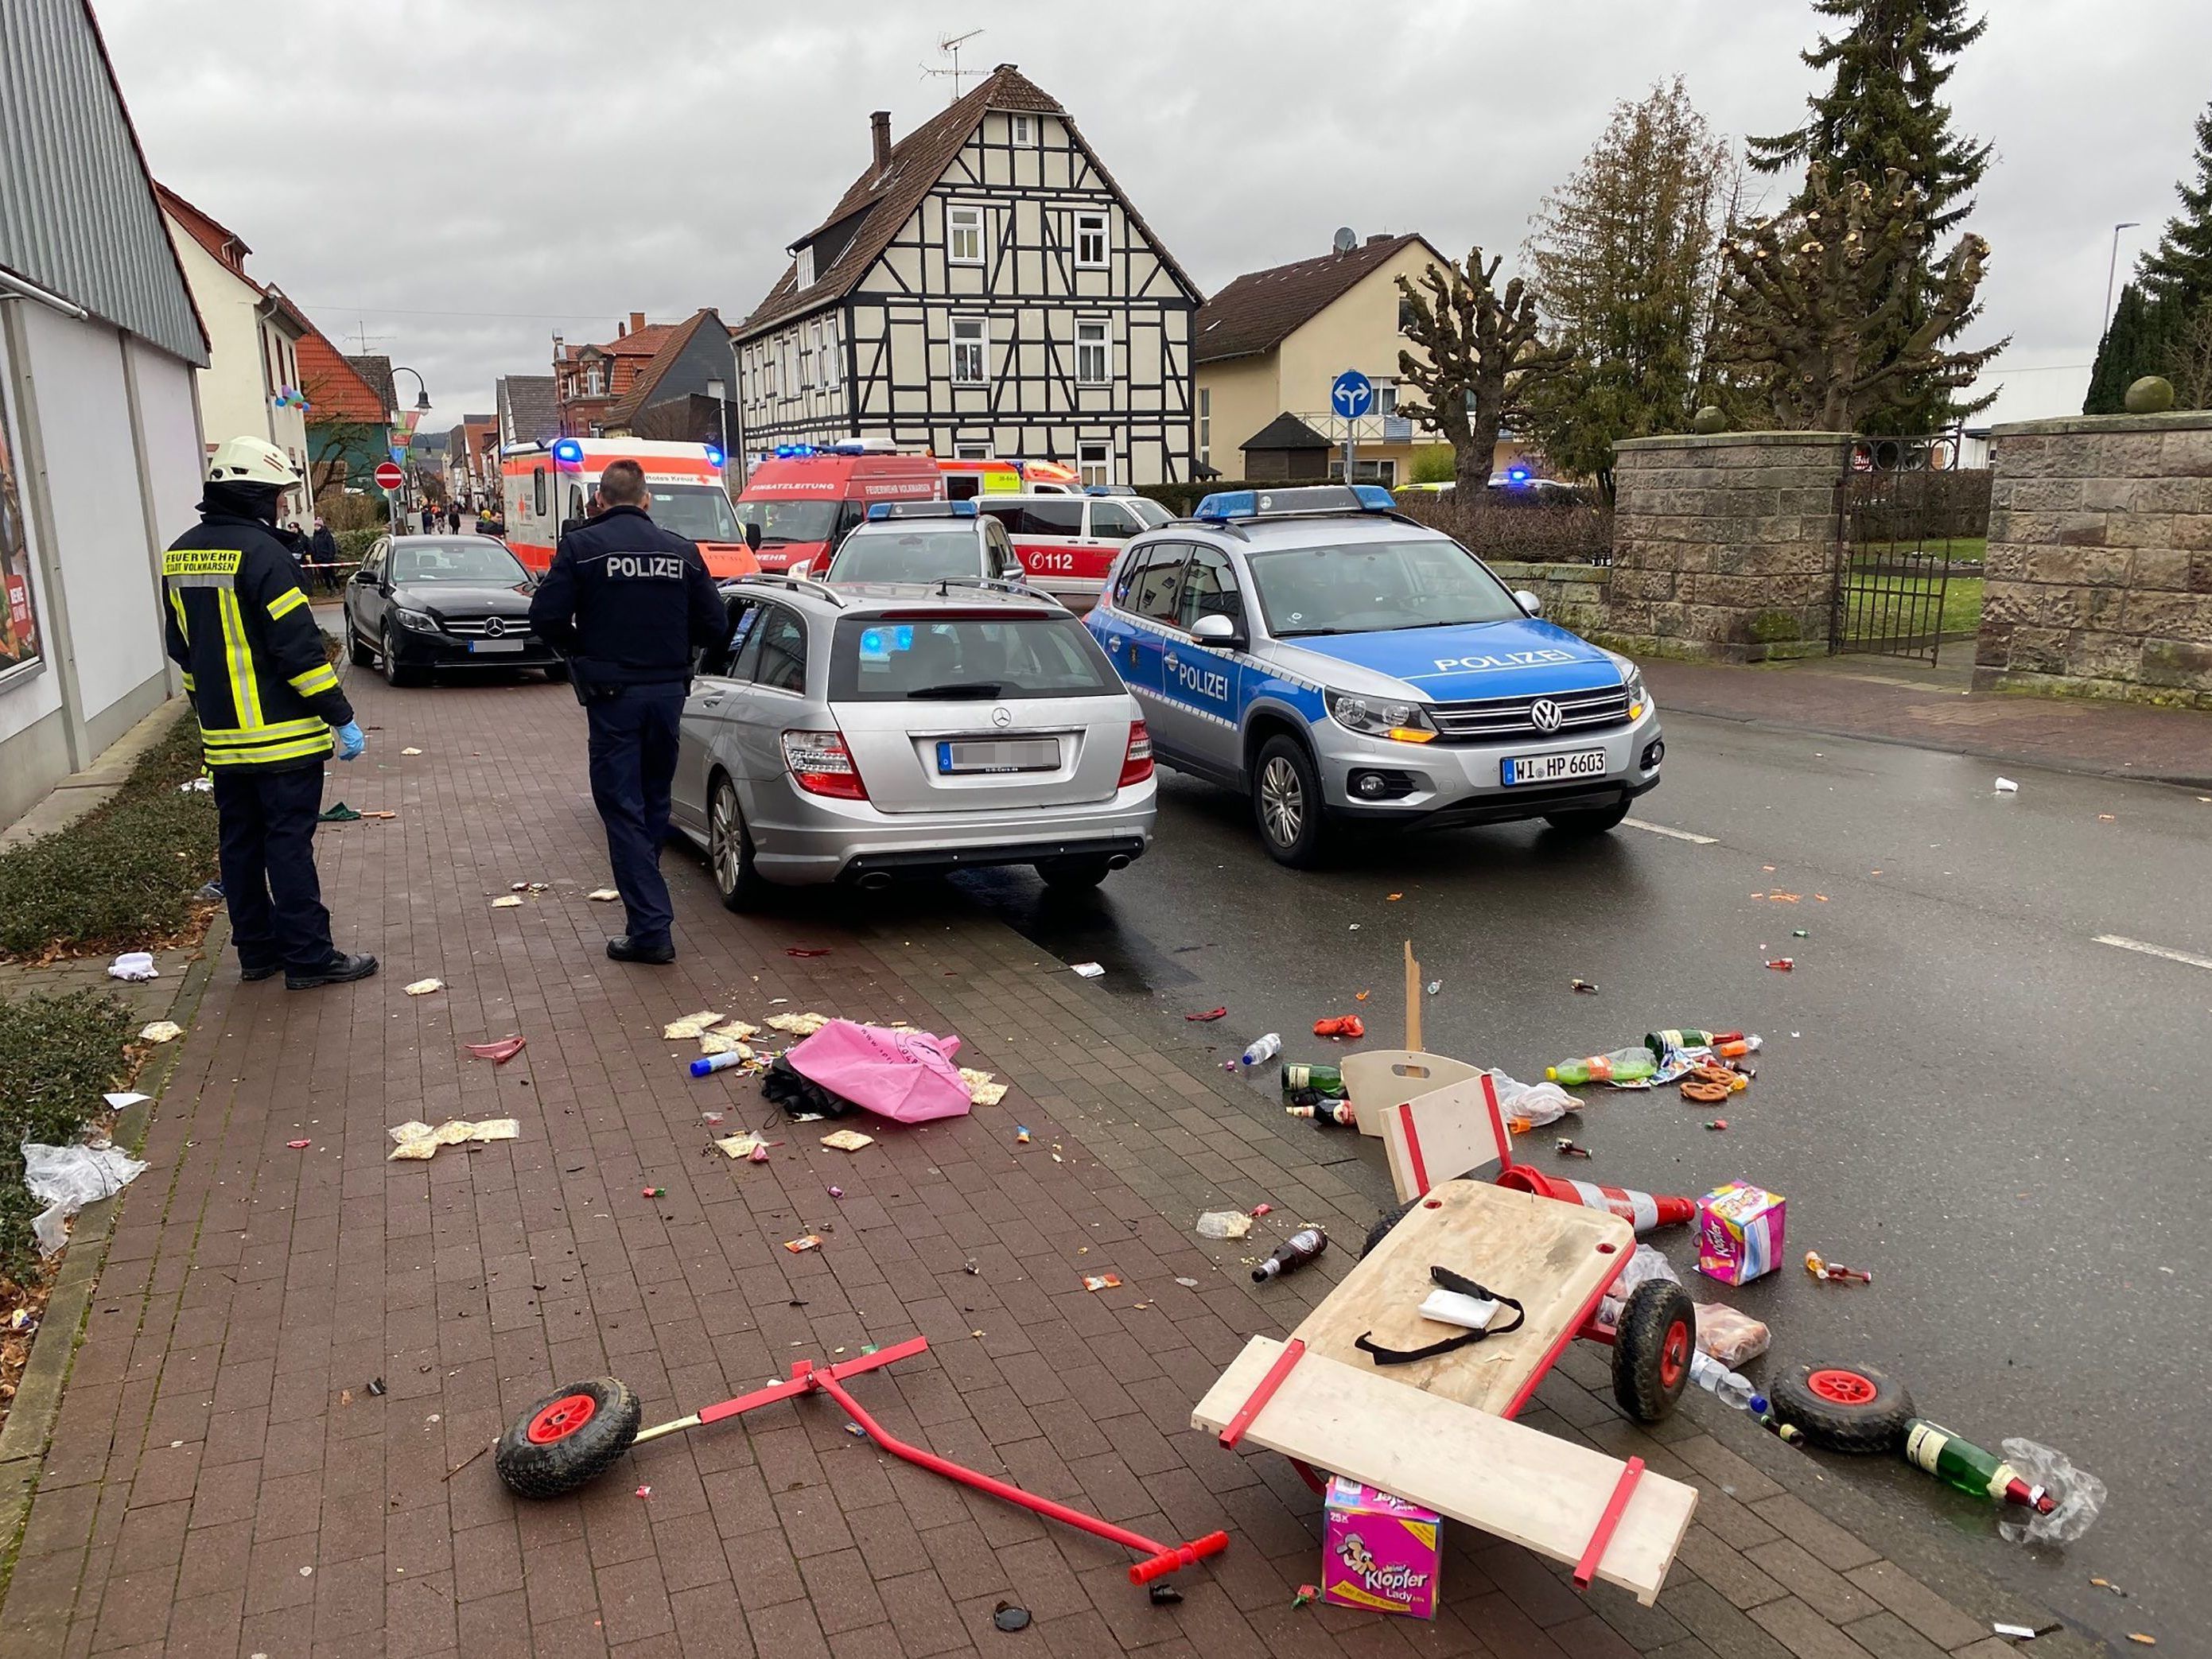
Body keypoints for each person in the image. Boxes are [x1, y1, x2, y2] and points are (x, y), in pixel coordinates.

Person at [163, 437, 377, 990]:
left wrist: (205, 711)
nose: (282, 507)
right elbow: (298, 652)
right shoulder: (266, 557)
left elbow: (183, 650)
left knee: (239, 844)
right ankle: (309, 957)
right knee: (287, 846)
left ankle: (256, 952)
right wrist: (340, 715)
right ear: (256, 495)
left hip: (224, 738)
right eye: (278, 497)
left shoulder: (179, 554)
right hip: (281, 740)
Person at [529, 458, 725, 964]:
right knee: (653, 803)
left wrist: (583, 651)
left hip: (613, 697)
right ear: (646, 500)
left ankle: (651, 930)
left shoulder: (581, 547)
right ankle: (647, 914)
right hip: (667, 696)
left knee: (622, 809)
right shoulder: (682, 552)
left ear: (599, 500)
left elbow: (545, 616)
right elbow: (714, 625)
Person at [307, 517, 340, 593]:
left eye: (317, 526)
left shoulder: (327, 535)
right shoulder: (315, 536)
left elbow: (331, 546)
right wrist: (315, 557)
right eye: (315, 526)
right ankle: (329, 589)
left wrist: (330, 557)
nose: (316, 527)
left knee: (331, 574)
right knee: (325, 575)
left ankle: (337, 587)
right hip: (320, 559)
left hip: (327, 558)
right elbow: (314, 547)